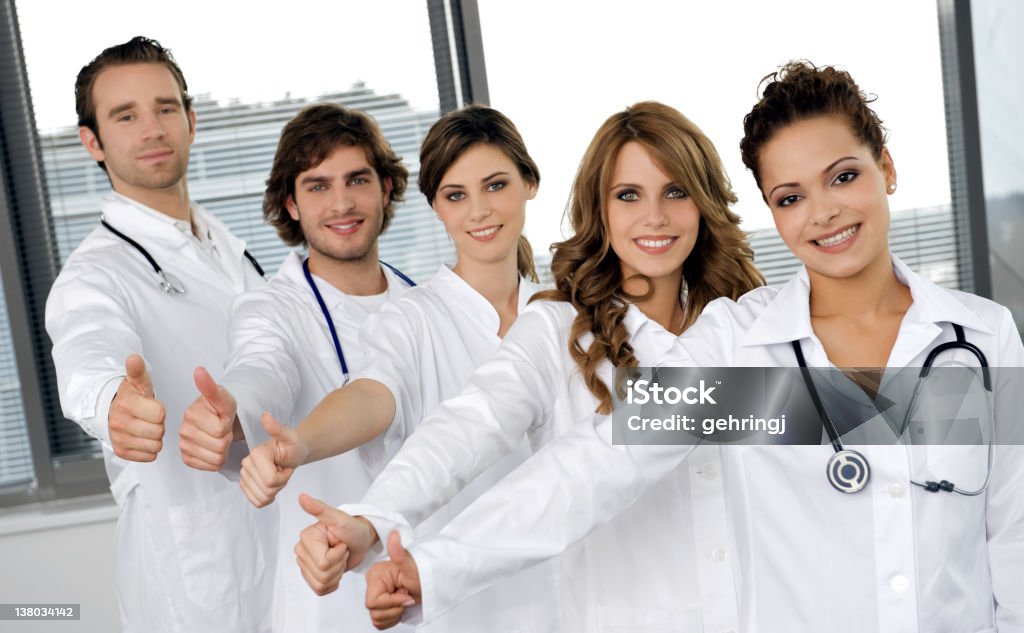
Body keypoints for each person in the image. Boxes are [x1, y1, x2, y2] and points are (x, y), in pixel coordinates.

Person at [365, 63, 1024, 633]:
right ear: (773, 209)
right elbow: (600, 462)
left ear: (886, 168)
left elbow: (1014, 541)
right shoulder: (745, 345)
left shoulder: (984, 338)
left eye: (844, 176)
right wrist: (431, 563)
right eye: (791, 196)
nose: (823, 212)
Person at [306, 101, 764, 632]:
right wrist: (375, 517)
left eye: (676, 191)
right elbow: (469, 427)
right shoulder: (557, 329)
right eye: (628, 195)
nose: (654, 217)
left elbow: (856, 433)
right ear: (601, 207)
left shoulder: (746, 326)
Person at [238, 104, 559, 633]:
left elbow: (625, 432)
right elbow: (372, 394)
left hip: (570, 596)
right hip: (460, 608)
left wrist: (743, 403)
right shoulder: (410, 316)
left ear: (530, 183)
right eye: (456, 195)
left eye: (496, 185)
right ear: (436, 206)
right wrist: (301, 442)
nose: (479, 210)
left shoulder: (569, 314)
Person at [44, 36, 272, 632]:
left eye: (165, 108)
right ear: (91, 141)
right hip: (192, 576)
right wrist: (112, 400)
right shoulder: (93, 275)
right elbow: (85, 349)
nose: (152, 128)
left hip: (279, 542)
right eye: (126, 115)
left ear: (192, 121)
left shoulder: (227, 247)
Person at [175, 103, 415, 632]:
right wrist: (233, 412)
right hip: (336, 600)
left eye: (357, 179)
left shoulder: (427, 304)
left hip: (432, 586)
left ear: (387, 189)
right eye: (317, 185)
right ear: (290, 202)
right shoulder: (272, 308)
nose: (342, 202)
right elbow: (262, 367)